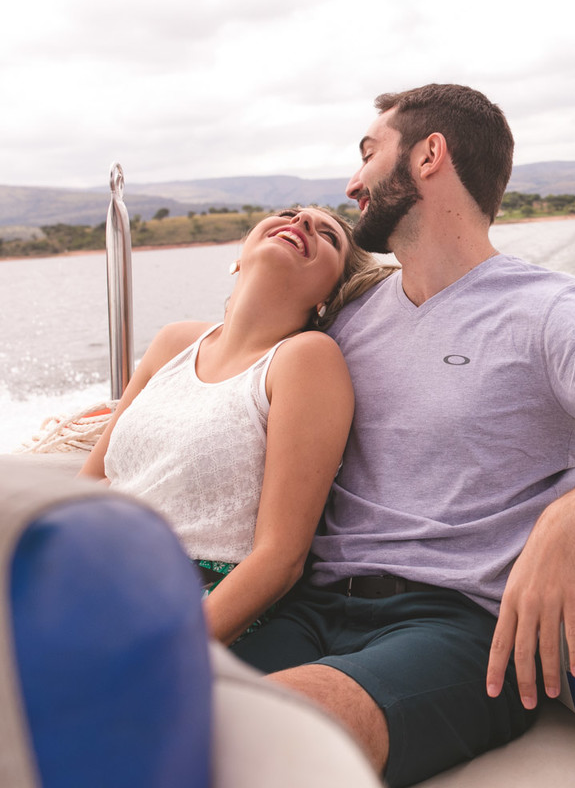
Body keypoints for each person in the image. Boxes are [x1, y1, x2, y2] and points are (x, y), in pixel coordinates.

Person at [229, 84, 575, 786]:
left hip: (457, 631)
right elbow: (241, 361)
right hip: (312, 608)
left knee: (256, 732)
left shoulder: (551, 311)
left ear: (430, 155)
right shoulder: (351, 314)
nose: (352, 183)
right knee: (130, 710)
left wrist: (573, 515)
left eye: (369, 155)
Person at [80, 206, 396, 645]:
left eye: (328, 236)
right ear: (241, 252)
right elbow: (94, 477)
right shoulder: (173, 341)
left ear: (329, 294)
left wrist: (170, 652)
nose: (302, 223)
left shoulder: (306, 359)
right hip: (91, 564)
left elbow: (280, 558)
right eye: (289, 214)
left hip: (187, 598)